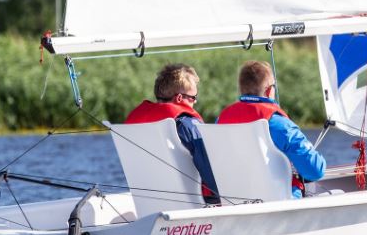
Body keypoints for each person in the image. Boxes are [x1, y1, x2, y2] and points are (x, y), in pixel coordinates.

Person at [217, 60, 326, 198]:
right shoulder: (279, 125)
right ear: (269, 91)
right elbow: (315, 171)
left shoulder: (220, 120)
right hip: (280, 201)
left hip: (234, 200)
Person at [125, 63, 220, 205]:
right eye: (193, 97)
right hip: (194, 205)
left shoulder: (137, 123)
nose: (195, 101)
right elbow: (211, 172)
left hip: (149, 202)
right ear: (180, 98)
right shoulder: (187, 126)